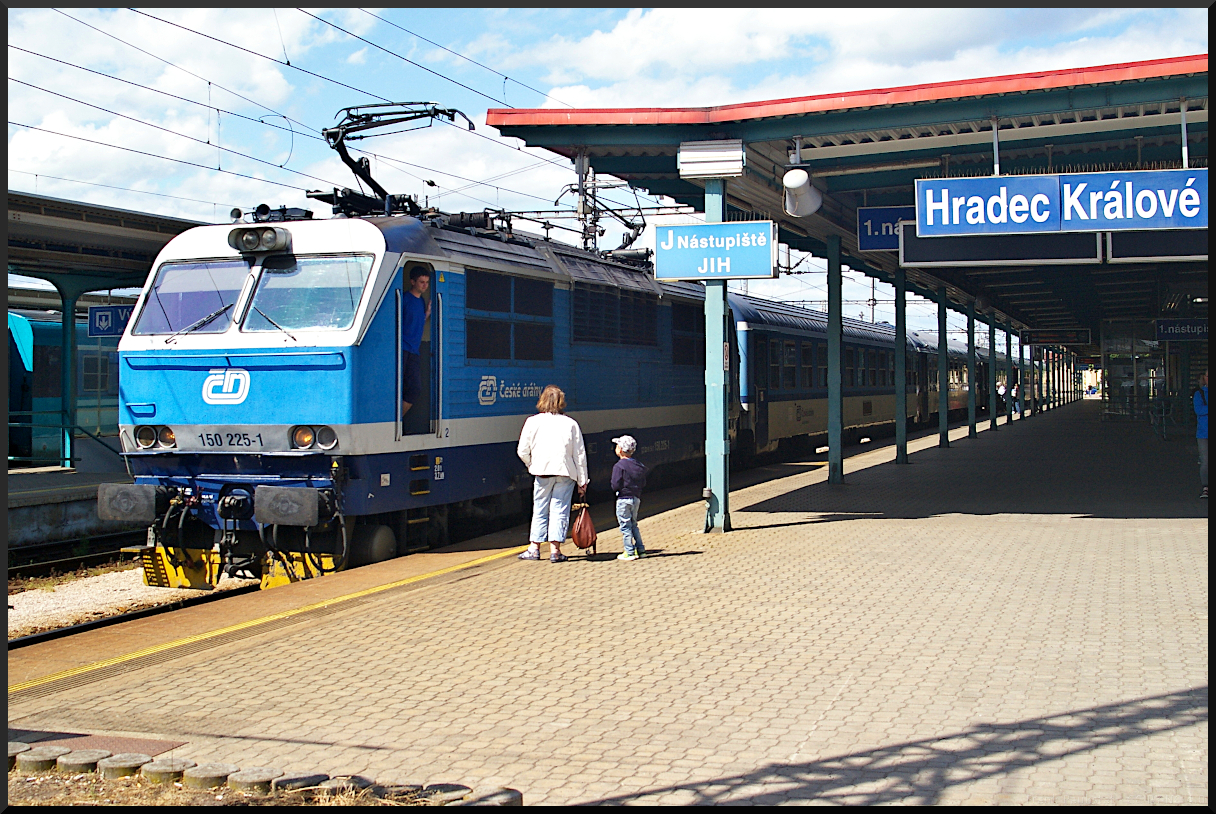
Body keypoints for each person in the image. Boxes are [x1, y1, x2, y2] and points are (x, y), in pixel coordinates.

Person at [516, 385, 589, 562]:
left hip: (542, 473)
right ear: (561, 402)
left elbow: (522, 451)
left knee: (540, 509)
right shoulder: (571, 424)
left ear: (542, 400)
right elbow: (579, 455)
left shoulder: (532, 422)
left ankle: (534, 548)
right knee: (559, 510)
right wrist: (582, 480)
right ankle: (555, 551)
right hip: (565, 473)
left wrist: (531, 464)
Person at [610, 435, 647, 561]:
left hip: (623, 499)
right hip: (636, 498)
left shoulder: (619, 466)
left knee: (625, 526)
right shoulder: (639, 465)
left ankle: (629, 552)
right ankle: (641, 550)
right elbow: (643, 482)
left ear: (620, 450)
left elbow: (615, 484)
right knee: (634, 524)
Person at [401, 267, 431, 419]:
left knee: (414, 389)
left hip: (414, 351)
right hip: (403, 349)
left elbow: (416, 322)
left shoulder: (421, 302)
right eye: (421, 282)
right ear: (412, 282)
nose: (425, 285)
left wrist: (427, 315)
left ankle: (398, 419)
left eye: (426, 282)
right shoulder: (404, 299)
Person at [1196, 370, 1208, 499]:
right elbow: (1198, 410)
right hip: (1204, 433)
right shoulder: (1199, 394)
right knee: (1205, 461)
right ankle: (1206, 487)